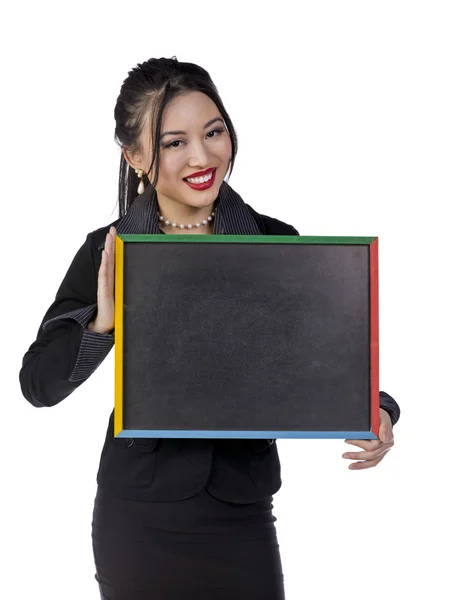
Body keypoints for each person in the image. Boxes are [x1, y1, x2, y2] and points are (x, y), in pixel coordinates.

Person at [19, 56, 401, 600]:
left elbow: (320, 360)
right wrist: (102, 323)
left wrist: (377, 411)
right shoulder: (108, 249)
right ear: (135, 157)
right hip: (140, 519)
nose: (202, 156)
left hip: (241, 515)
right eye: (174, 142)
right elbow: (38, 386)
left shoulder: (273, 241)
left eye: (213, 132)